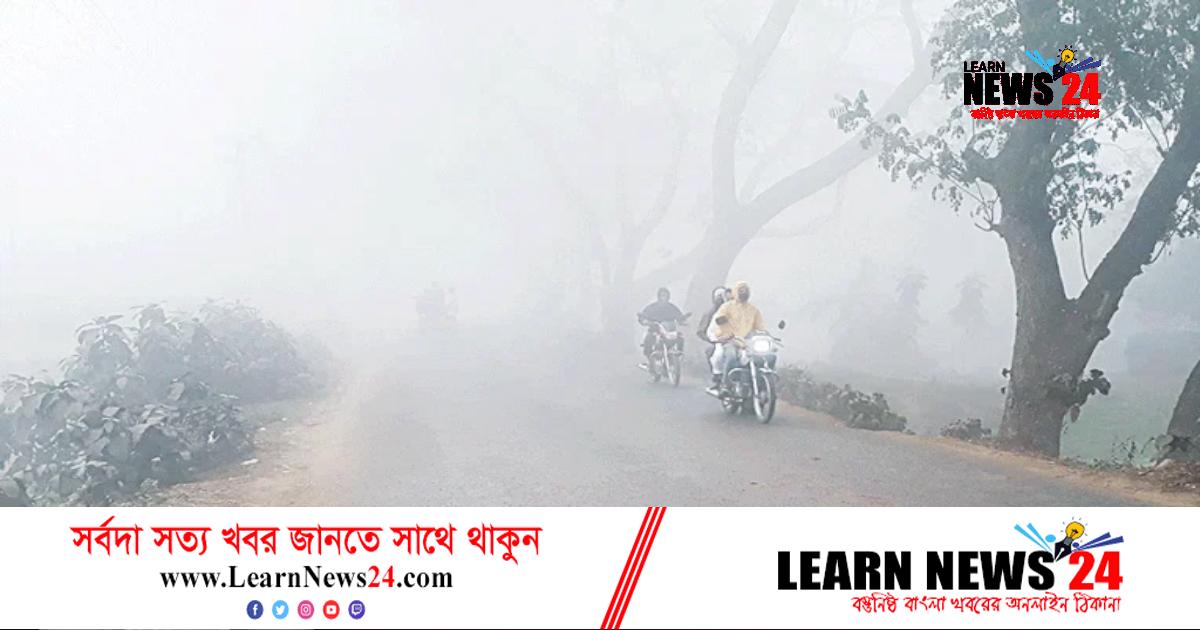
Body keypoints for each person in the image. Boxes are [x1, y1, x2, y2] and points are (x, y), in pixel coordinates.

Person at [706, 280, 765, 395]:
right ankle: (725, 385)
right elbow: (719, 322)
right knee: (731, 357)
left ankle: (762, 384)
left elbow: (759, 326)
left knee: (767, 357)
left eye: (745, 291)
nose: (743, 294)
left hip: (748, 342)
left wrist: (763, 334)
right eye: (741, 291)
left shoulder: (753, 310)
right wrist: (724, 335)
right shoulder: (726, 307)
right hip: (731, 340)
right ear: (736, 292)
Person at [638, 287, 685, 364]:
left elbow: (679, 317)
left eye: (665, 296)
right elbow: (643, 316)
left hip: (669, 332)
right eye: (662, 295)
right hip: (655, 332)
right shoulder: (651, 307)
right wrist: (644, 321)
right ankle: (650, 361)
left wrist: (682, 320)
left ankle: (678, 355)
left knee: (680, 336)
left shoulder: (672, 308)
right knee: (648, 338)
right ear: (658, 297)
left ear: (668, 297)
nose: (664, 298)